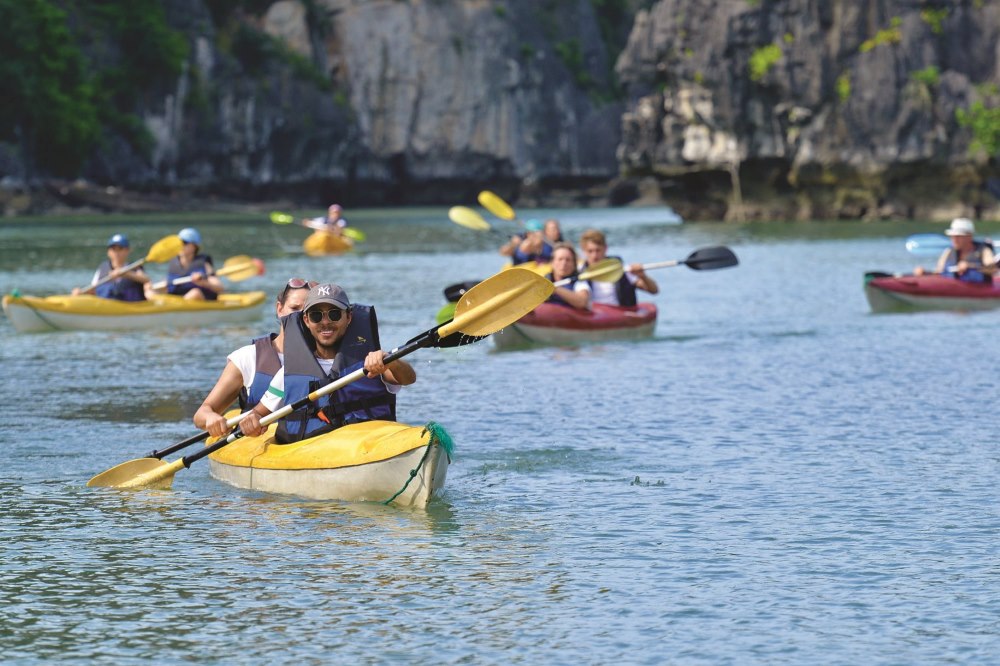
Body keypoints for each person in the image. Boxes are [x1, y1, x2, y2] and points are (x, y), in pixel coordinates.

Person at [238, 283, 416, 443]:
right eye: (316, 316)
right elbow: (259, 413)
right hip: (315, 453)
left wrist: (390, 362)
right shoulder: (289, 373)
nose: (325, 322)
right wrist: (251, 420)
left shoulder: (373, 362)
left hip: (371, 445)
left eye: (334, 314)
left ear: (349, 317)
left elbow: (408, 378)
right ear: (306, 320)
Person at [193, 278, 316, 438]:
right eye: (294, 308)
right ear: (279, 309)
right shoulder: (248, 358)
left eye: (308, 310)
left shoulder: (327, 357)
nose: (299, 316)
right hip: (258, 443)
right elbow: (201, 414)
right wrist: (211, 418)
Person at [579, 228, 659, 306]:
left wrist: (642, 276)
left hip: (618, 313)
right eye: (590, 251)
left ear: (605, 249)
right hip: (593, 314)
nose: (594, 256)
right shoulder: (579, 272)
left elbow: (654, 290)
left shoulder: (621, 269)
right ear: (584, 251)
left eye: (598, 250)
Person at [914, 217, 996, 283]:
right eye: (952, 236)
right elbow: (939, 273)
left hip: (980, 288)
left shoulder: (984, 251)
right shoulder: (948, 252)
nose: (954, 239)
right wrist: (925, 273)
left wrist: (970, 266)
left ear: (969, 237)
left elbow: (993, 269)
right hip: (954, 286)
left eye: (958, 236)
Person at [72, 233, 150, 301]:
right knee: (106, 288)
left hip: (131, 305)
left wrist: (126, 274)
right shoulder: (103, 268)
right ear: (108, 252)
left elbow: (146, 279)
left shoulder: (135, 267)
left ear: (127, 251)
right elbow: (94, 289)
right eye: (113, 249)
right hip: (108, 305)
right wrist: (81, 292)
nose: (116, 253)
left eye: (120, 249)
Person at [165, 228, 225, 300]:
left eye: (184, 243)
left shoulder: (203, 263)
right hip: (177, 297)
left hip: (200, 297)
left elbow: (219, 288)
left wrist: (204, 283)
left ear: (194, 246)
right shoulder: (174, 263)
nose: (180, 246)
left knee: (195, 293)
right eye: (178, 243)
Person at [547, 242, 591, 310]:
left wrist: (554, 288)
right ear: (552, 262)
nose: (564, 263)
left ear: (574, 264)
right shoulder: (545, 279)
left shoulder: (580, 282)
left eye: (568, 260)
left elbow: (582, 302)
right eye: (560, 259)